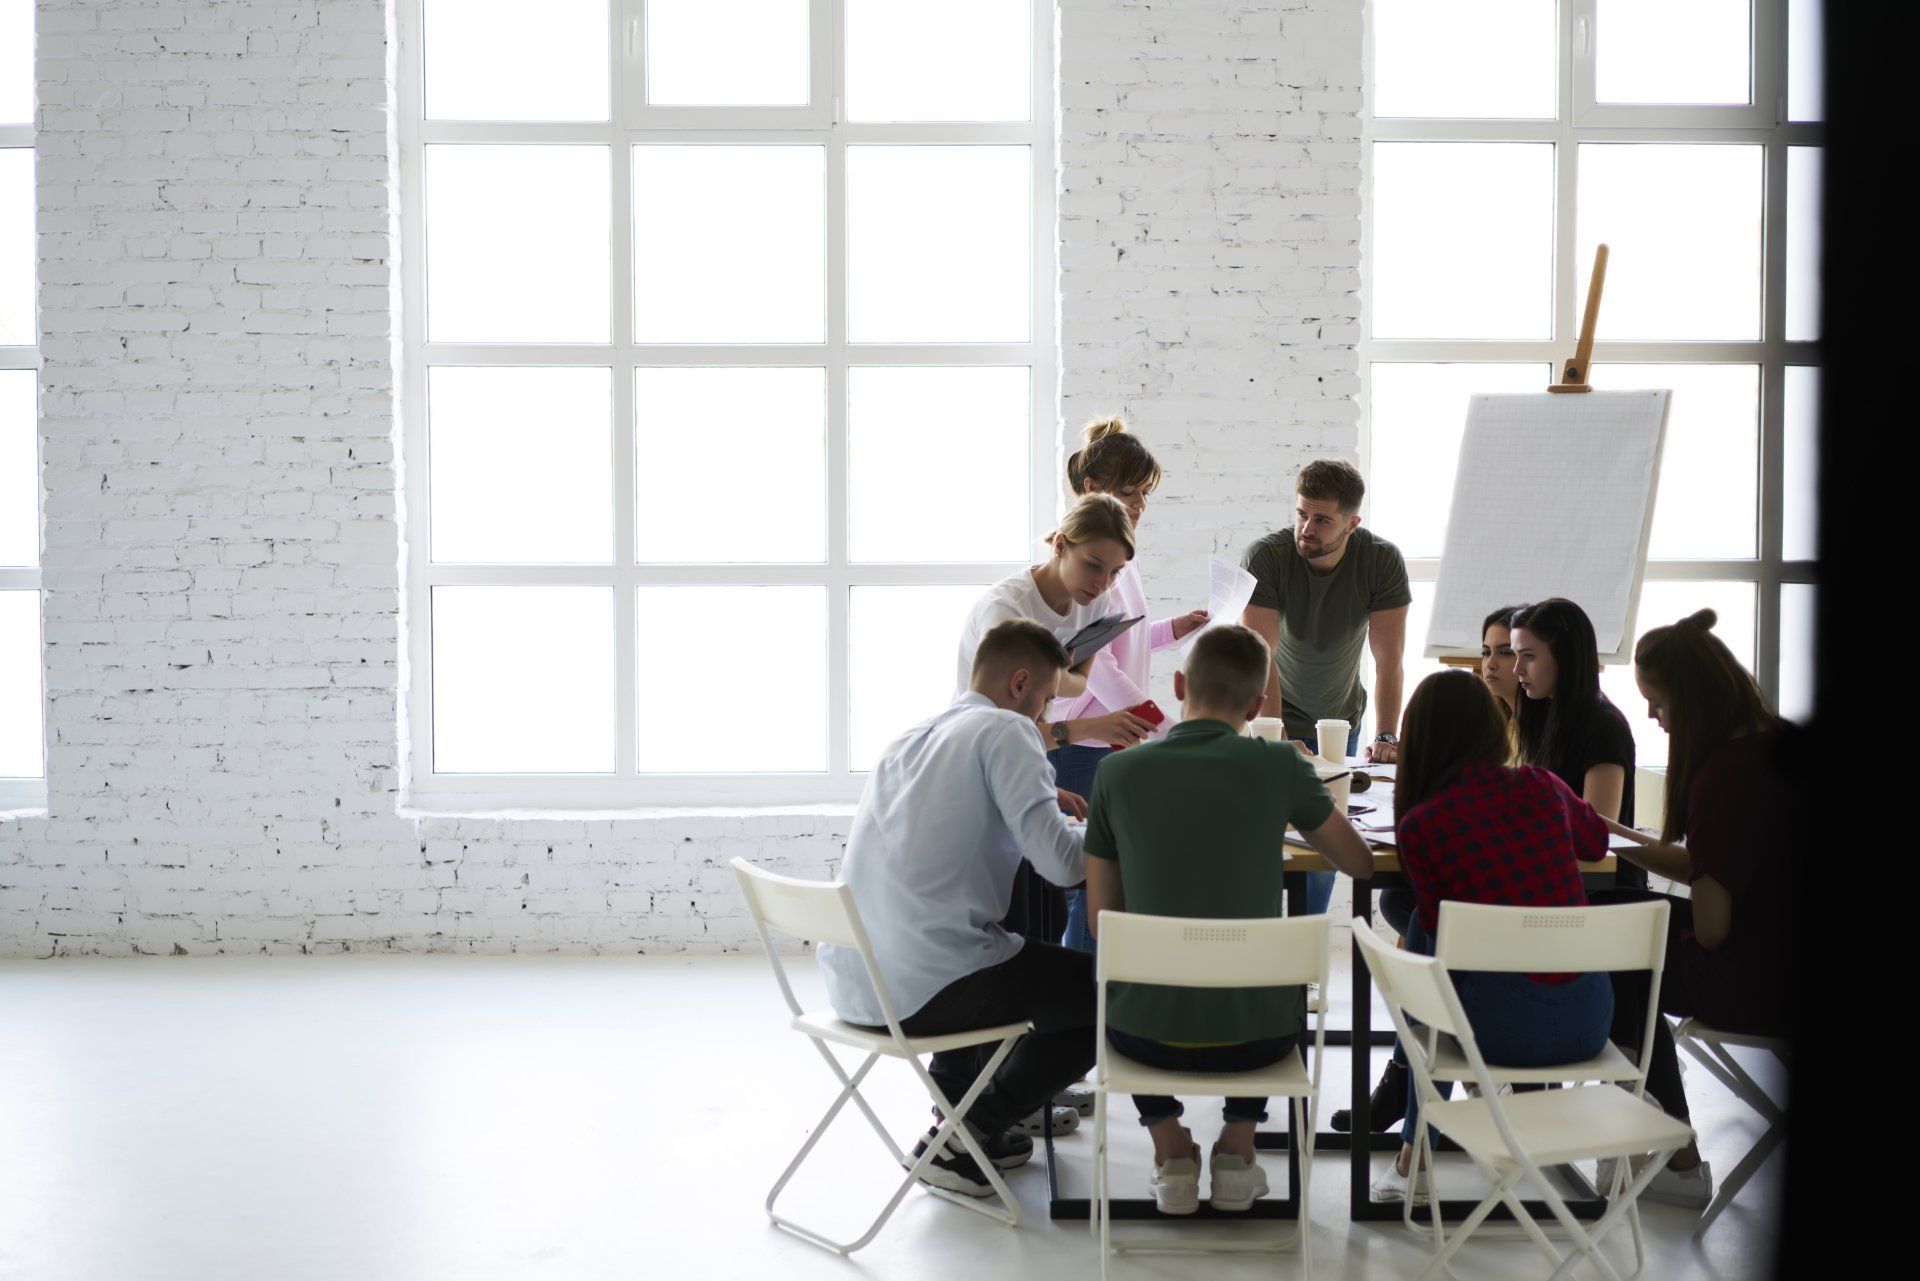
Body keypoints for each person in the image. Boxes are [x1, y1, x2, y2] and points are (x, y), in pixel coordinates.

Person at [1082, 625, 1376, 1215]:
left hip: (1143, 1036)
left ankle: (1171, 1150)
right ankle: (1238, 1149)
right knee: (1271, 985)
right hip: (1259, 1040)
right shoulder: (1280, 765)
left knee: (1117, 978)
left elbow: (1100, 922)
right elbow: (1360, 863)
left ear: (1178, 685)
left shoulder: (1116, 773)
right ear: (1259, 704)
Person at [819, 620, 1096, 1199]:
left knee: (995, 946)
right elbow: (1062, 866)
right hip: (926, 988)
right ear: (1020, 683)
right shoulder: (1007, 730)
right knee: (1109, 996)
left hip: (857, 982)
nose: (1044, 717)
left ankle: (965, 1113)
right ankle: (964, 1136)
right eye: (1046, 700)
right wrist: (1108, 837)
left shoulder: (913, 736)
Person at [1368, 670, 1615, 1204]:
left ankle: (1416, 1155)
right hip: (1590, 1021)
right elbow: (1597, 842)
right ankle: (1447, 1138)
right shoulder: (1542, 785)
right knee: (1431, 937)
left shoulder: (1421, 826)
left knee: (1424, 941)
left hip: (1497, 1035)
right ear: (1492, 728)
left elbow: (1443, 949)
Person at [1593, 609, 1803, 1210]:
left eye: (1657, 704)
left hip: (1757, 979)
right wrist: (1610, 832)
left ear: (1691, 700)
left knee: (1617, 945)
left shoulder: (1722, 778)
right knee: (1618, 920)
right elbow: (1715, 866)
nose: (1653, 718)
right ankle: (1644, 1129)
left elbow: (1711, 929)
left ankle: (1670, 1151)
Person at [1333, 599, 1534, 1135]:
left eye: (1510, 654)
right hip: (1572, 998)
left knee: (1427, 922)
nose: (1493, 664)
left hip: (1517, 954)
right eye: (1487, 652)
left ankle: (1412, 1109)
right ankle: (1416, 1099)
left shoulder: (1540, 733)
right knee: (1413, 909)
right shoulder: (1522, 759)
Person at [1051, 417, 1208, 953]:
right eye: (1129, 492)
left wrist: (1172, 629)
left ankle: (1090, 988)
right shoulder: (1083, 563)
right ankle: (1082, 993)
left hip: (1108, 740)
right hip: (1083, 745)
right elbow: (1099, 667)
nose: (1140, 505)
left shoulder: (1119, 556)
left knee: (1101, 881)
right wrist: (1162, 726)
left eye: (1145, 494)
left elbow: (1121, 638)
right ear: (1091, 487)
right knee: (1089, 885)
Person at [1239, 458, 1411, 917]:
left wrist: (1387, 734)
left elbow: (1389, 659)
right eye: (1301, 514)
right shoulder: (1267, 556)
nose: (1306, 529)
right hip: (1274, 711)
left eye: (1322, 520)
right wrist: (1274, 736)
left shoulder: (1381, 561)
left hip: (1339, 718)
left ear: (1352, 524)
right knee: (1266, 839)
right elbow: (1261, 653)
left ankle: (1307, 945)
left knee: (1322, 851)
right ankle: (1261, 940)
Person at [1509, 597, 1646, 890]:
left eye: (1529, 656)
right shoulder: (1547, 714)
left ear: (1566, 658)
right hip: (1558, 875)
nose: (1517, 669)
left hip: (1600, 887)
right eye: (1516, 655)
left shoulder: (1604, 727)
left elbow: (1593, 837)